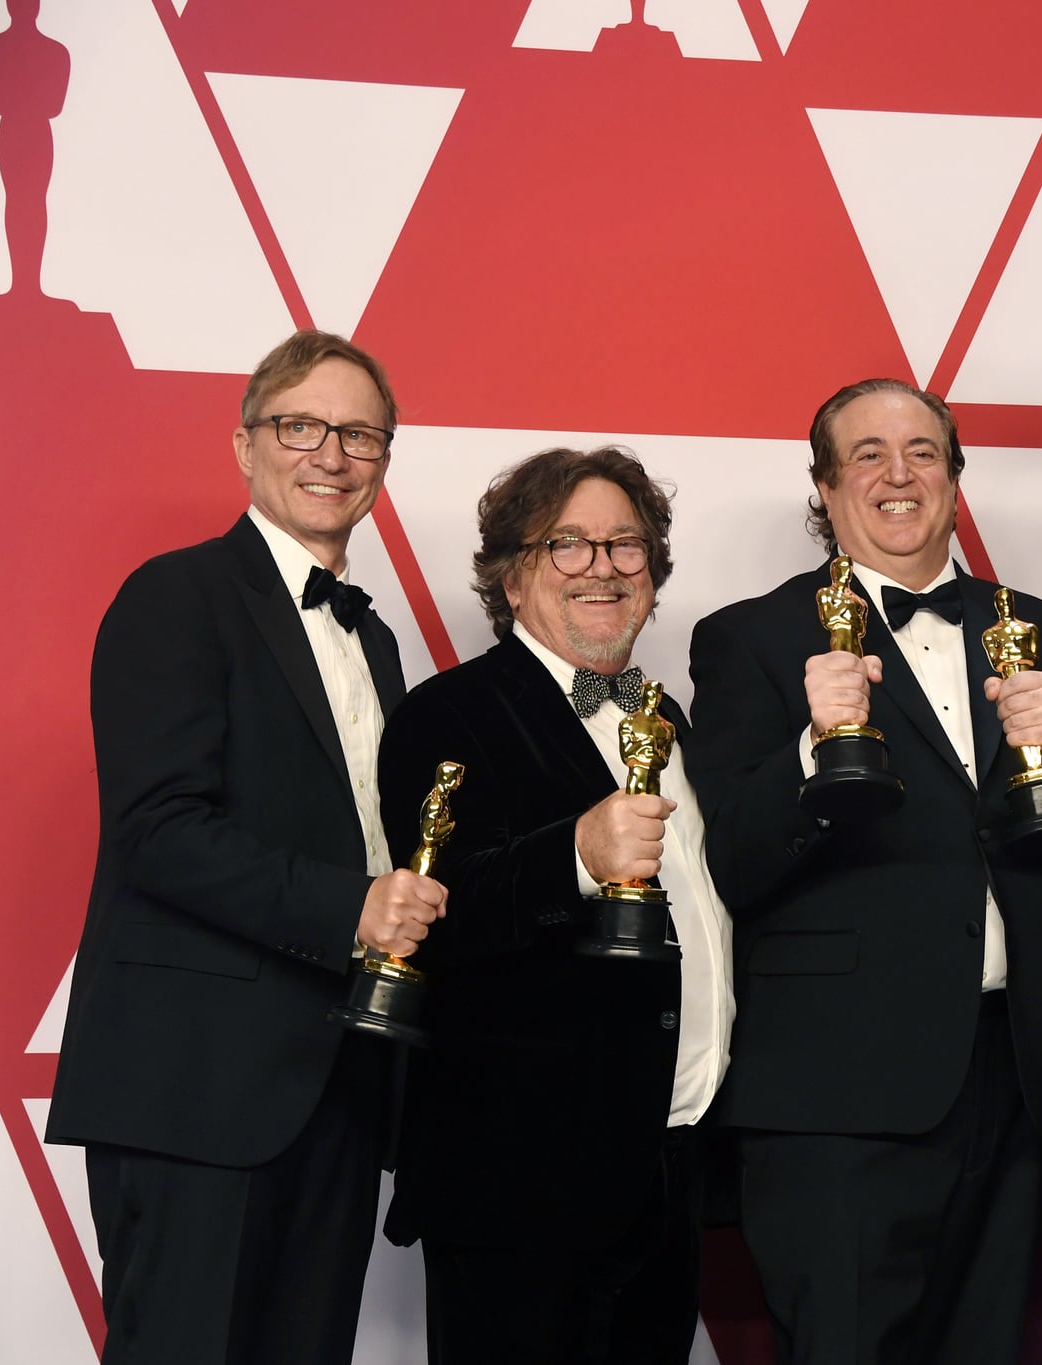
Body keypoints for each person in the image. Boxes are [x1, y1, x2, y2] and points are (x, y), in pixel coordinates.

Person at [685, 378, 1042, 1364]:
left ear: (953, 476)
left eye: (923, 452)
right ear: (825, 487)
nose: (899, 475)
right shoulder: (752, 639)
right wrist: (813, 750)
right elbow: (731, 859)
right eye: (867, 455)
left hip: (1016, 1076)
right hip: (837, 1093)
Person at [46, 330, 436, 1364]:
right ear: (244, 446)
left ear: (385, 461)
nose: (331, 454)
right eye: (301, 426)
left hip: (338, 1085)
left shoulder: (377, 639)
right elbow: (158, 832)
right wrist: (349, 907)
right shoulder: (176, 596)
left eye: (359, 434)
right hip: (194, 1088)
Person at [375, 445, 732, 1364]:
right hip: (521, 1184)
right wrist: (574, 852)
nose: (603, 568)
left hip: (670, 1165)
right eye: (567, 545)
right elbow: (433, 915)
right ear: (510, 574)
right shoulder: (444, 713)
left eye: (626, 545)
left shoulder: (669, 716)